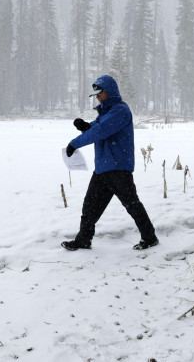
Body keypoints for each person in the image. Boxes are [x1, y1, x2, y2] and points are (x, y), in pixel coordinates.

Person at [62, 75, 159, 251]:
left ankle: (149, 237)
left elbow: (100, 130)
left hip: (117, 167)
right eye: (96, 95)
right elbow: (98, 126)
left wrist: (74, 143)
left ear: (109, 92)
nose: (98, 97)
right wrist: (86, 126)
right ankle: (83, 239)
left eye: (100, 94)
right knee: (90, 206)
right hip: (103, 167)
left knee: (131, 204)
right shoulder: (107, 112)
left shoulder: (120, 110)